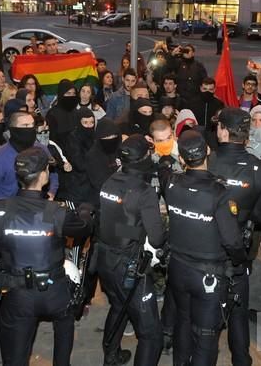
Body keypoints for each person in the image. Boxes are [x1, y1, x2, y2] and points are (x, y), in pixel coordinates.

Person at [0, 147, 93, 366]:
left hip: (17, 294)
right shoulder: (55, 211)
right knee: (65, 323)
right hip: (53, 291)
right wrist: (85, 210)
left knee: (14, 357)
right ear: (44, 175)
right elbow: (83, 228)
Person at [159, 130, 247, 366]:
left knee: (183, 323)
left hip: (177, 270)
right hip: (208, 276)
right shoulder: (218, 192)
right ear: (208, 151)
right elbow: (232, 241)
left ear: (182, 158)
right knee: (206, 336)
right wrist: (241, 261)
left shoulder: (171, 184)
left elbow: (162, 170)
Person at [208, 108, 261, 366]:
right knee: (238, 309)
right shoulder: (258, 169)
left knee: (205, 314)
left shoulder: (207, 161)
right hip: (238, 252)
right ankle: (241, 359)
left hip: (206, 248)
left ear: (223, 130)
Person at [96, 135, 166, 366]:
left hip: (104, 259)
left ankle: (111, 356)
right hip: (129, 266)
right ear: (143, 158)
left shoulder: (109, 181)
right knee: (151, 333)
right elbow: (156, 239)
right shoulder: (144, 192)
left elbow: (112, 221)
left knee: (118, 306)